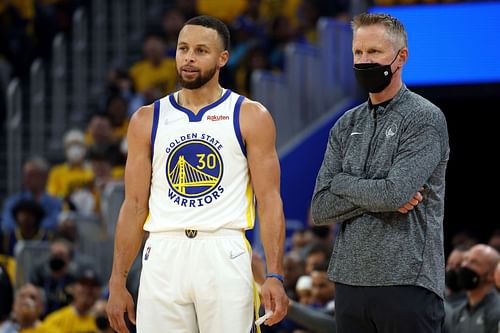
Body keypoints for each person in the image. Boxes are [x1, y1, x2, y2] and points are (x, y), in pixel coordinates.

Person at [106, 15, 288, 333]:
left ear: (222, 59)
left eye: (201, 50)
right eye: (183, 48)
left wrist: (274, 274)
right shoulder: (146, 119)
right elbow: (133, 205)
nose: (189, 57)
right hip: (163, 251)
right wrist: (117, 280)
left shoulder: (250, 115)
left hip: (224, 249)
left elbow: (270, 200)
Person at [311, 13, 449, 333]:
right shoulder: (345, 124)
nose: (363, 60)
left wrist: (342, 183)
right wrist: (382, 195)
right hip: (347, 281)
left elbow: (394, 194)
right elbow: (320, 208)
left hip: (408, 281)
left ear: (400, 57)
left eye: (373, 52)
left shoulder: (424, 118)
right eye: (358, 53)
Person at [449, 244, 500, 333]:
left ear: (492, 275)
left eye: (474, 262)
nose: (464, 265)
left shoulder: (497, 311)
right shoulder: (457, 313)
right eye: (465, 260)